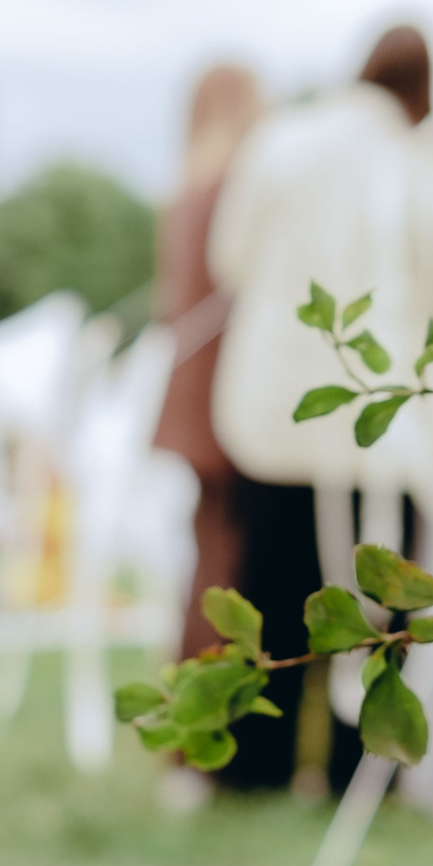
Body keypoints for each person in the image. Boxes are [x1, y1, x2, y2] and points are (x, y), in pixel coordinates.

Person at [206, 25, 433, 793]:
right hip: (383, 429)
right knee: (382, 605)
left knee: (272, 599)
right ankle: (365, 772)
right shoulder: (423, 166)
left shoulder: (281, 141)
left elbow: (231, 259)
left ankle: (254, 769)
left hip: (276, 416)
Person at [153, 64, 265, 666]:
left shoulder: (185, 190)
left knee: (208, 555)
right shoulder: (233, 184)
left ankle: (193, 711)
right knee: (228, 570)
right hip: (226, 399)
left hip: (189, 394)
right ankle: (211, 711)